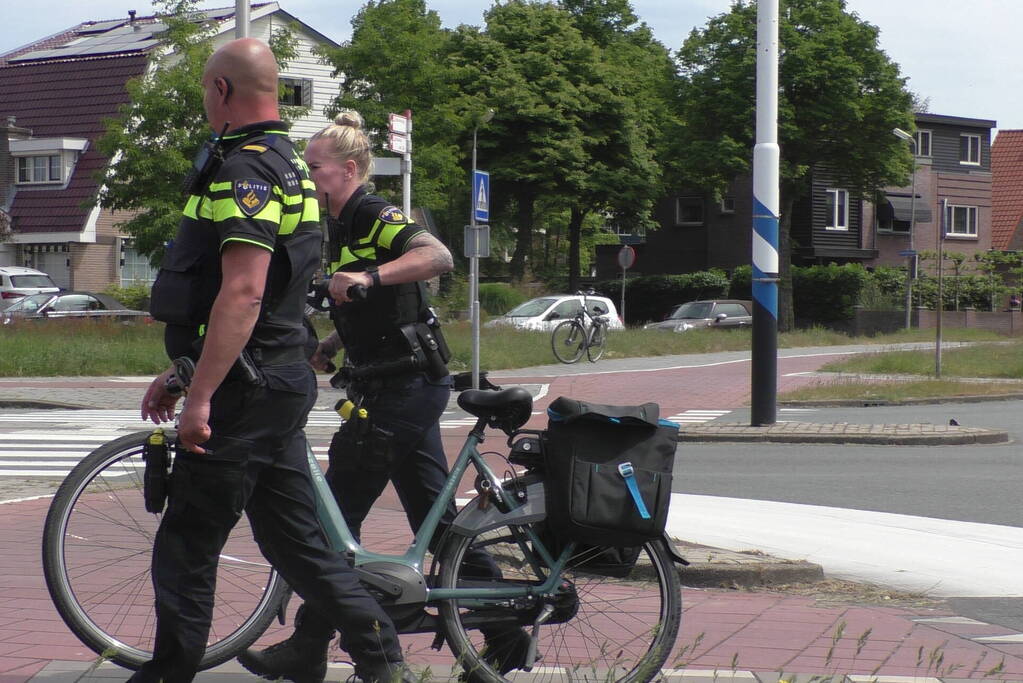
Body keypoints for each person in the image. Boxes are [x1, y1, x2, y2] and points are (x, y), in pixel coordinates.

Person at [134, 41, 409, 683]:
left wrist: (200, 395)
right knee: (300, 545)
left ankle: (166, 674)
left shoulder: (245, 172)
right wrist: (183, 372)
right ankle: (381, 657)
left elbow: (245, 291)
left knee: (187, 545)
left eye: (205, 88)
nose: (204, 100)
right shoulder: (289, 167)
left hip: (244, 390)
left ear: (222, 91)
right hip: (277, 378)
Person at [238, 111, 530, 683]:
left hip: (403, 388)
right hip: (397, 383)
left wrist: (369, 278)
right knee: (438, 522)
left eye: (313, 166)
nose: (305, 175)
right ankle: (505, 635)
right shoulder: (338, 222)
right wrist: (331, 341)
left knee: (330, 521)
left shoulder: (372, 211)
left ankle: (313, 646)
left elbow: (436, 256)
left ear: (349, 169)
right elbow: (378, 304)